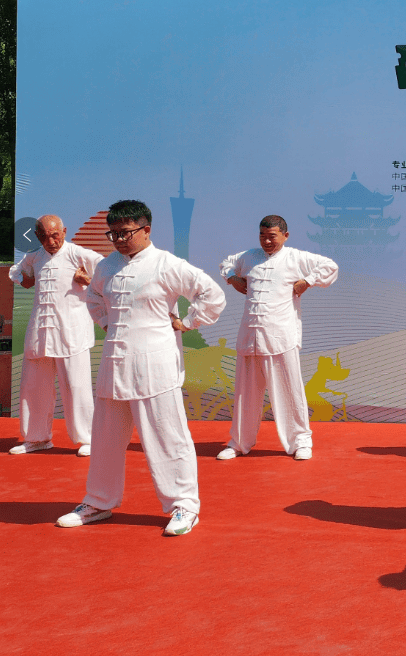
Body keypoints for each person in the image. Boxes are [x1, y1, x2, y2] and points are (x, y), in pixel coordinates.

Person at [55, 200, 225, 536]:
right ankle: (98, 501)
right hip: (114, 365)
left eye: (126, 232)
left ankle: (184, 507)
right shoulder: (105, 266)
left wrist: (188, 322)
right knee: (104, 438)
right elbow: (93, 299)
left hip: (156, 365)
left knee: (167, 437)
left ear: (146, 229)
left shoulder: (167, 264)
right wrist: (105, 321)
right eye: (114, 233)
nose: (119, 239)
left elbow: (212, 293)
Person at [216, 215, 339, 461]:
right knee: (245, 394)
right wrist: (232, 278)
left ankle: (301, 442)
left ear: (285, 235)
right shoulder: (248, 257)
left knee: (290, 392)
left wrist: (308, 281)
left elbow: (330, 267)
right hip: (250, 335)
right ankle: (239, 442)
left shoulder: (296, 258)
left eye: (272, 236)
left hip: (281, 336)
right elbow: (226, 263)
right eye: (262, 236)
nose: (266, 241)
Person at [8, 215, 103, 456]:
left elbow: (109, 281)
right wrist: (26, 279)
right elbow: (18, 273)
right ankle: (37, 438)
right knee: (34, 386)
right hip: (40, 330)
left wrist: (88, 282)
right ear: (37, 236)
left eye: (55, 235)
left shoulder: (79, 254)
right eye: (44, 236)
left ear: (64, 231)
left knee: (76, 385)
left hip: (72, 330)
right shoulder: (34, 256)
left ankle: (88, 439)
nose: (51, 241)